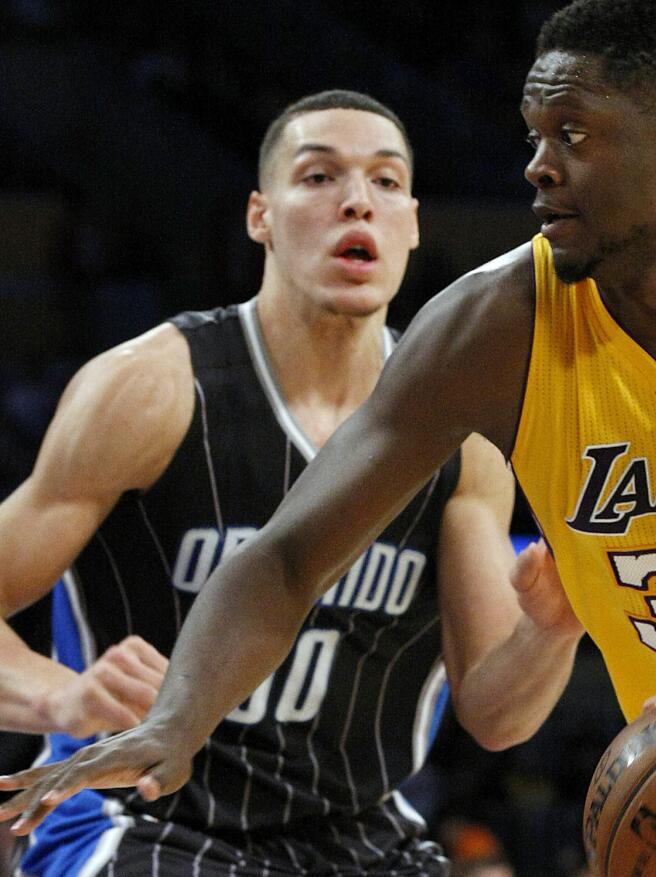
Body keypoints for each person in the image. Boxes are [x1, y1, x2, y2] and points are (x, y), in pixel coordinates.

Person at [0, 3, 656, 874]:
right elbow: (286, 554)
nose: (537, 166)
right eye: (534, 136)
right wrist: (181, 719)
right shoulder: (494, 328)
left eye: (575, 134)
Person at [0, 89, 582, 875]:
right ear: (259, 216)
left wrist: (551, 628)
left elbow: (495, 713)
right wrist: (58, 699)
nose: (355, 201)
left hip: (358, 834)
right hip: (139, 820)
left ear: (411, 224)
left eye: (385, 181)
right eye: (317, 177)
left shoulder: (461, 434)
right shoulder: (154, 389)